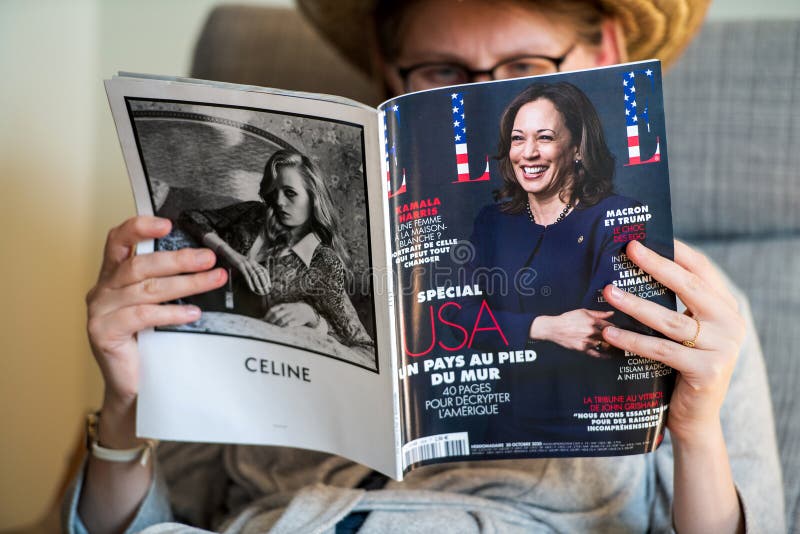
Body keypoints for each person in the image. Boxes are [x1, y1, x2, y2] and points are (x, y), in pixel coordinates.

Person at [69, 1, 784, 533]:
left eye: (525, 69)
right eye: (442, 73)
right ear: (392, 76)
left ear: (604, 51)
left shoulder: (698, 310)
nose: (481, 108)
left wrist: (696, 433)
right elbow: (153, 519)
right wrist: (126, 404)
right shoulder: (278, 261)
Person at [179, 149, 374, 351]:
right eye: (275, 192)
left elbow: (359, 342)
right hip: (190, 305)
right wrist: (231, 255)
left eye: (290, 193)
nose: (280, 202)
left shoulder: (323, 261)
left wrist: (311, 315)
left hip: (236, 345)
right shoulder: (253, 213)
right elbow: (190, 217)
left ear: (313, 197)